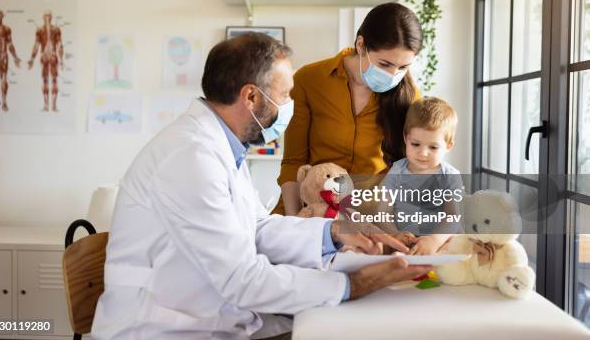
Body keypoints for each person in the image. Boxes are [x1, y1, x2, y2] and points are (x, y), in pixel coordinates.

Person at [91, 33, 431, 340]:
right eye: (284, 95)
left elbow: (256, 227)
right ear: (250, 96)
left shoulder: (219, 146)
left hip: (209, 316)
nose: (289, 107)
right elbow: (242, 279)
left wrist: (336, 232)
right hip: (161, 329)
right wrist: (351, 284)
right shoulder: (191, 156)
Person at [277, 3, 423, 216]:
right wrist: (295, 224)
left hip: (371, 215)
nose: (393, 75)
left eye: (403, 67)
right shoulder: (308, 80)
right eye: (384, 64)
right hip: (308, 208)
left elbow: (410, 167)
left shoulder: (409, 96)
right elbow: (293, 162)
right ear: (361, 44)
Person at [378, 97, 463, 254]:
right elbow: (383, 211)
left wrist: (433, 240)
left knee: (456, 245)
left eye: (433, 147)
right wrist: (394, 234)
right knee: (375, 244)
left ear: (448, 146)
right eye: (415, 144)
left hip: (437, 242)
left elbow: (453, 217)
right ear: (406, 138)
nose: (423, 153)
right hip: (401, 241)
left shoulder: (450, 176)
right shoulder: (397, 171)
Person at [28, 11, 64, 112]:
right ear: (43, 17)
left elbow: (60, 45)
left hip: (52, 56)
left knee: (54, 80)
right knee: (45, 81)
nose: (47, 18)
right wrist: (32, 59)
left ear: (51, 17)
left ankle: (53, 106)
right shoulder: (40, 30)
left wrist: (61, 60)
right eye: (45, 16)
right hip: (44, 56)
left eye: (49, 16)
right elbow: (36, 45)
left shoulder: (56, 30)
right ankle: (46, 105)